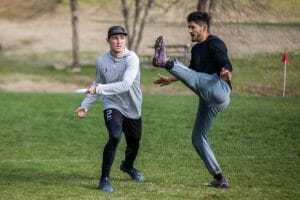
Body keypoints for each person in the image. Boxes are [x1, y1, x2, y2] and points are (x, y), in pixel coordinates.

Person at [152, 11, 232, 188]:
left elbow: (224, 61)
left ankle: (166, 62)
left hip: (219, 89)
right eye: (188, 27)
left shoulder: (215, 43)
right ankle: (220, 179)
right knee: (197, 137)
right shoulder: (196, 50)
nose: (189, 30)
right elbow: (190, 73)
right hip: (207, 98)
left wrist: (226, 71)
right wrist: (170, 80)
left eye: (192, 27)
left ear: (204, 27)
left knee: (195, 76)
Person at [75, 25, 144, 193]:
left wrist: (98, 89)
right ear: (108, 40)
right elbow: (97, 83)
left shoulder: (132, 59)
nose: (119, 41)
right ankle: (104, 179)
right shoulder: (101, 61)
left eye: (122, 37)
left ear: (125, 40)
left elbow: (126, 85)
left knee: (134, 143)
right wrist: (85, 105)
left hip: (133, 107)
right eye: (115, 38)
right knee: (114, 135)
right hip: (112, 103)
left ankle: (128, 166)